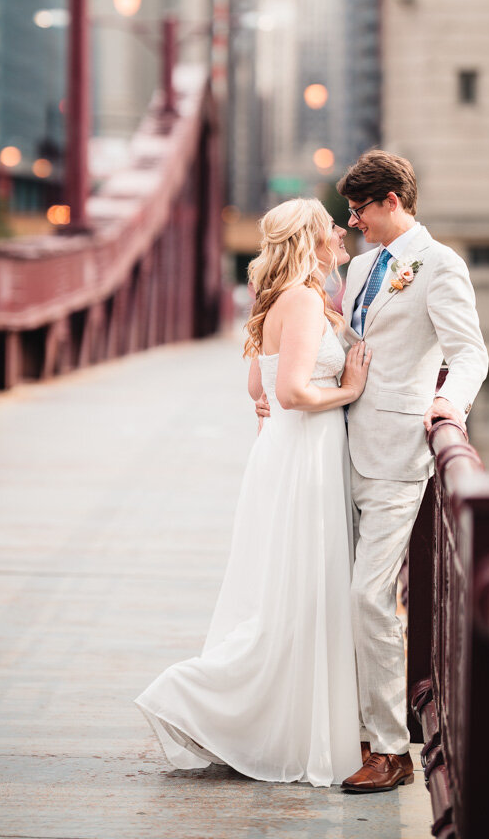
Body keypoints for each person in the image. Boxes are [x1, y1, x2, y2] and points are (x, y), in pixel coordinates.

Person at [135, 198, 371, 786]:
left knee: (288, 594)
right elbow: (288, 393)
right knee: (300, 596)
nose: (341, 232)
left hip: (285, 455)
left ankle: (269, 720)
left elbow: (256, 386)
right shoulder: (305, 299)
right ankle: (193, 696)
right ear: (311, 241)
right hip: (305, 454)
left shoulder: (283, 302)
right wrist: (351, 387)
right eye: (330, 227)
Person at [280, 149, 488, 793]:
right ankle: (347, 729)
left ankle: (392, 748)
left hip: (401, 450)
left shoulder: (440, 264)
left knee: (370, 596)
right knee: (328, 590)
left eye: (360, 209)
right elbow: (351, 345)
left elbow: (469, 352)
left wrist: (448, 404)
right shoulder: (366, 263)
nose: (354, 221)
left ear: (392, 202)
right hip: (338, 441)